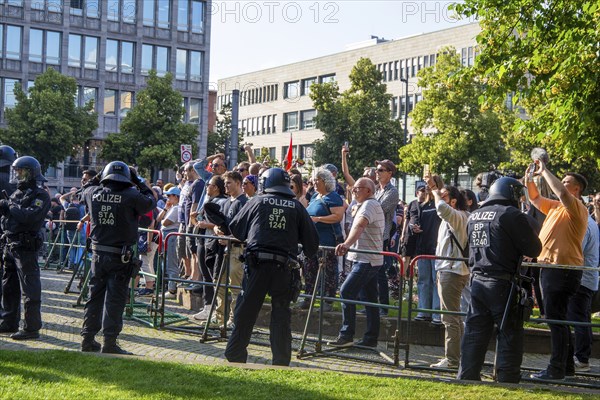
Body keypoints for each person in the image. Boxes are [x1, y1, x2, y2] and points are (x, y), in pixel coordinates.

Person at [225, 168, 319, 365]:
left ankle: (235, 355)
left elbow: (236, 229)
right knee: (281, 314)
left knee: (246, 312)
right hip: (284, 269)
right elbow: (312, 244)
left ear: (264, 183)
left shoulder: (257, 201)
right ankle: (281, 361)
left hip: (257, 266)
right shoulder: (296, 206)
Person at [458, 177, 542, 383]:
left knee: (475, 331)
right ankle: (507, 378)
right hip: (502, 283)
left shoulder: (475, 215)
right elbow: (534, 249)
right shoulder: (511, 214)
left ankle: (467, 376)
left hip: (477, 281)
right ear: (511, 194)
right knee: (509, 332)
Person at [79, 161, 156, 354]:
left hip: (98, 254)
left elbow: (84, 189)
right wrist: (138, 180)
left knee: (94, 296)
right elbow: (150, 201)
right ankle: (109, 342)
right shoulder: (131, 195)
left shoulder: (92, 193)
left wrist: (97, 176)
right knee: (115, 299)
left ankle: (87, 339)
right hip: (120, 256)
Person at [526, 161, 588, 380]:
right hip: (553, 269)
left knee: (556, 321)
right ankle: (566, 368)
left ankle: (556, 369)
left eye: (567, 181)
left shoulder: (577, 207)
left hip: (562, 270)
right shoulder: (555, 207)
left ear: (576, 189)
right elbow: (534, 198)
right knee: (559, 319)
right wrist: (529, 178)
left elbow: (560, 192)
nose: (562, 183)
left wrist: (544, 171)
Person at [327, 177, 385, 348]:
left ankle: (346, 335)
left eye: (358, 188)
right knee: (370, 299)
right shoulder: (361, 204)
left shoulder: (370, 205)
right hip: (364, 258)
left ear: (368, 190)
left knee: (346, 292)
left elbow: (360, 225)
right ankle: (371, 338)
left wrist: (346, 245)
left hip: (366, 259)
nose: (354, 190)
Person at [0, 156, 51, 340]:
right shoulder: (16, 193)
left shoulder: (41, 194)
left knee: (29, 288)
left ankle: (31, 328)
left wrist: (10, 206)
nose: (18, 174)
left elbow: (29, 217)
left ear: (30, 172)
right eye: (17, 170)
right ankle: (9, 321)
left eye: (21, 170)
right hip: (10, 245)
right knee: (9, 286)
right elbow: (10, 217)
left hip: (26, 246)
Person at [427, 181, 470, 369]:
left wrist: (436, 192)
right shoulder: (457, 217)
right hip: (452, 270)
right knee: (455, 317)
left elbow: (441, 208)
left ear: (453, 202)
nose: (438, 197)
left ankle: (452, 360)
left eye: (444, 196)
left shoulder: (457, 216)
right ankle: (459, 356)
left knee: (449, 318)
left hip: (451, 271)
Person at [299, 167, 345, 311]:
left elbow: (338, 216)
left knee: (329, 271)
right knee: (309, 270)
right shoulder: (314, 197)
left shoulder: (334, 197)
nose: (313, 182)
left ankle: (328, 300)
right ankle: (308, 298)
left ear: (325, 181)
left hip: (327, 242)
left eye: (316, 179)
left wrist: (318, 219)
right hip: (312, 241)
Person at [156, 186, 181, 298]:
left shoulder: (176, 208)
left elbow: (165, 222)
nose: (167, 198)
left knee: (171, 262)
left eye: (169, 195)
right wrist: (165, 208)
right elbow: (158, 219)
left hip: (171, 235)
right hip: (166, 235)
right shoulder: (171, 207)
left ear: (176, 196)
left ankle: (172, 289)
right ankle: (169, 287)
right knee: (165, 262)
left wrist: (164, 217)